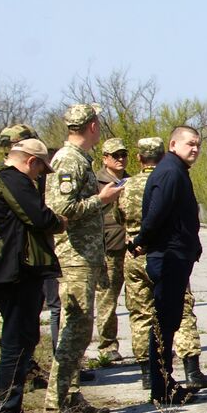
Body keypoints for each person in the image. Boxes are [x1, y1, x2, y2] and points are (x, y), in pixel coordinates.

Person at [0, 139, 62, 413]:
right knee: (17, 340)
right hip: (14, 272)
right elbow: (40, 218)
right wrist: (60, 222)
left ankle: (4, 401)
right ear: (31, 161)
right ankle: (7, 407)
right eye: (41, 169)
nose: (40, 176)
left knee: (18, 336)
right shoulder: (14, 181)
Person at [45, 104, 122, 413]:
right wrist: (101, 200)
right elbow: (59, 207)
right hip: (74, 255)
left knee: (80, 327)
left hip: (86, 254)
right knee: (75, 327)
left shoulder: (80, 159)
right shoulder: (68, 159)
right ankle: (56, 404)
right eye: (98, 121)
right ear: (92, 125)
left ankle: (71, 396)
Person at [121, 138, 207, 391]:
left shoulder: (174, 169)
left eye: (198, 145)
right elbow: (156, 213)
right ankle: (162, 385)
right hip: (168, 256)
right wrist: (142, 240)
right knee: (164, 320)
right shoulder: (170, 172)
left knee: (167, 320)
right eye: (189, 143)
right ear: (172, 144)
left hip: (173, 254)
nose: (194, 148)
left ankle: (163, 381)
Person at [93, 137, 129, 364]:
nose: (120, 159)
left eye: (123, 154)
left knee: (139, 300)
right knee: (107, 299)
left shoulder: (129, 181)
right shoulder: (96, 181)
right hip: (109, 246)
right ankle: (107, 345)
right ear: (105, 158)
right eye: (115, 155)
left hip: (130, 245)